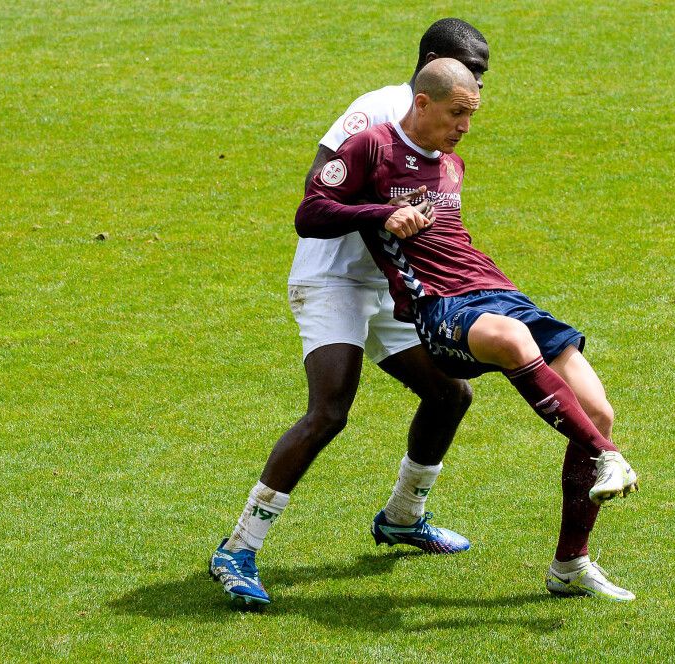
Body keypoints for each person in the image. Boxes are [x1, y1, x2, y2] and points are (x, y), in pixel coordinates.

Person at [293, 59, 640, 601]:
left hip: (498, 293)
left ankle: (570, 565)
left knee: (599, 408)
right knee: (511, 344)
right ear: (423, 102)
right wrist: (380, 214)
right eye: (457, 113)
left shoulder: (452, 167)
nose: (465, 127)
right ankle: (607, 455)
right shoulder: (374, 146)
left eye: (472, 115)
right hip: (441, 308)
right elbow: (310, 213)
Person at [209, 20, 491, 607]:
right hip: (332, 275)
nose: (474, 93)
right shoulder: (377, 114)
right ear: (431, 67)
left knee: (451, 394)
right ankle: (238, 546)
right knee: (329, 411)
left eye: (482, 80)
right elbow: (315, 200)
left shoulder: (444, 123)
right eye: (469, 72)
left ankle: (403, 516)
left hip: (389, 280)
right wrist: (378, 215)